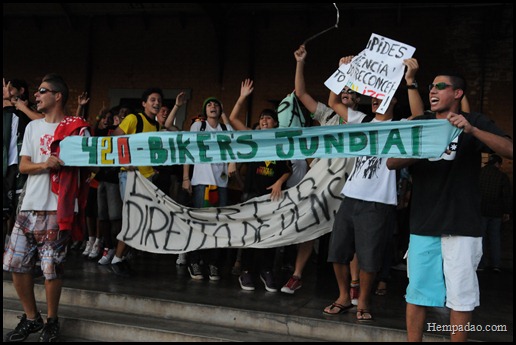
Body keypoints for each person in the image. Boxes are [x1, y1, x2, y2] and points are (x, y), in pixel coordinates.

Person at [386, 71, 513, 342]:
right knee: (417, 292)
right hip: (424, 223)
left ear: (457, 93)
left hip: (462, 224)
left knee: (461, 296)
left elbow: (509, 149)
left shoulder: (474, 121)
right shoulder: (420, 123)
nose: (432, 90)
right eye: (431, 86)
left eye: (440, 86)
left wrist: (472, 130)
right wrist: (421, 147)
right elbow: (391, 162)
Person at [323, 55, 424, 321]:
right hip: (351, 197)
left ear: (394, 101)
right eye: (376, 97)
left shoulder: (400, 126)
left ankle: (363, 302)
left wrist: (410, 82)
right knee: (338, 252)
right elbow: (333, 102)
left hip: (378, 202)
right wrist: (343, 70)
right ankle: (344, 296)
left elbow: (420, 117)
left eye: (385, 96)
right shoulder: (362, 121)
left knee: (369, 258)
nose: (378, 100)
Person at [3, 73, 91, 342]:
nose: (37, 96)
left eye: (42, 91)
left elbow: (91, 162)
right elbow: (23, 166)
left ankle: (52, 320)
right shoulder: (33, 127)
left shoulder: (78, 128)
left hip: (57, 208)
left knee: (52, 268)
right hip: (28, 206)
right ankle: (32, 318)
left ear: (58, 96)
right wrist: (46, 164)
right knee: (17, 265)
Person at [280, 45, 366, 297]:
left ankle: (353, 284)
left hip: (349, 185)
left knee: (350, 234)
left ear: (358, 100)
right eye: (344, 92)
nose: (346, 96)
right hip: (321, 182)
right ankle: (297, 275)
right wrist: (300, 62)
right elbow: (301, 92)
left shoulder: (363, 121)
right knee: (310, 226)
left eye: (351, 93)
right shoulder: (328, 115)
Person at [229, 79, 292, 292]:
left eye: (268, 118)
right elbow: (233, 118)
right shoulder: (253, 138)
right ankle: (246, 271)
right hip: (251, 195)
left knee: (269, 234)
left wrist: (278, 183)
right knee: (249, 233)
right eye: (261, 117)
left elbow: (287, 170)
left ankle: (266, 271)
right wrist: (243, 97)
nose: (264, 120)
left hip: (272, 198)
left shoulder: (280, 144)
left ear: (275, 123)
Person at [109, 88, 163, 276]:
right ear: (144, 103)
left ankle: (121, 257)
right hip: (130, 177)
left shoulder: (156, 125)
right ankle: (116, 258)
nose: (156, 103)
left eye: (159, 100)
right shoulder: (134, 119)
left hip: (147, 178)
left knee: (140, 219)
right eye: (152, 100)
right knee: (133, 218)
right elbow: (116, 136)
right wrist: (126, 161)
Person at [182, 96, 234, 281]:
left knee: (217, 224)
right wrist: (186, 177)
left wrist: (232, 163)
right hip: (201, 183)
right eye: (209, 105)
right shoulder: (198, 127)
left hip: (220, 185)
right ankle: (194, 261)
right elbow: (188, 151)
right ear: (204, 110)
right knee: (199, 222)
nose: (213, 107)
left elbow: (234, 143)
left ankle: (213, 263)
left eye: (216, 105)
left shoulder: (225, 128)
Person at [3, 78, 44, 248]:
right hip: (5, 168)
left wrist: (21, 107)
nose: (6, 90)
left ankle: (17, 247)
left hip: (21, 168)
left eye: (10, 88)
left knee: (20, 210)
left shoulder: (26, 112)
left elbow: (42, 122)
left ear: (21, 91)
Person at [477, 154, 512, 272]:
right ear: (498, 164)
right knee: (495, 238)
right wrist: (507, 211)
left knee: (480, 239)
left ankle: (480, 264)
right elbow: (506, 195)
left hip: (480, 210)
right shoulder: (502, 176)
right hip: (496, 212)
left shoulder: (479, 174)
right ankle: (496, 264)